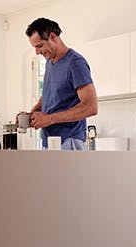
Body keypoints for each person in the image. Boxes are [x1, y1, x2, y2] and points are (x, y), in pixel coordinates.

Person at [25, 17, 98, 150]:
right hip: (49, 142)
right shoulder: (49, 63)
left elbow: (91, 106)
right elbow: (51, 94)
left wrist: (49, 118)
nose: (37, 52)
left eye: (39, 46)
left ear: (52, 37)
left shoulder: (75, 63)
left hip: (69, 142)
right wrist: (32, 114)